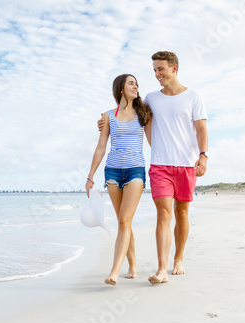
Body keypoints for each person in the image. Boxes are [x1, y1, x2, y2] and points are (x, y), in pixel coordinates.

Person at [98, 51, 208, 284]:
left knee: (182, 212)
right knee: (163, 214)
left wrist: (203, 155)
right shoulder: (150, 98)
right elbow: (128, 111)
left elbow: (201, 129)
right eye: (154, 70)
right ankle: (160, 269)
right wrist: (105, 120)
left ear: (174, 68)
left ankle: (178, 259)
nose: (157, 74)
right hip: (159, 165)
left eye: (160, 69)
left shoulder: (194, 96)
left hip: (187, 164)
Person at [85, 74, 152, 285]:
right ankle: (132, 265)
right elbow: (101, 147)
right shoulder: (107, 116)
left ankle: (114, 271)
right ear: (120, 88)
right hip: (113, 172)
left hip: (135, 171)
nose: (136, 86)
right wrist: (90, 176)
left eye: (136, 83)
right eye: (131, 83)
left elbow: (153, 140)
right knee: (125, 221)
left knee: (124, 220)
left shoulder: (144, 112)